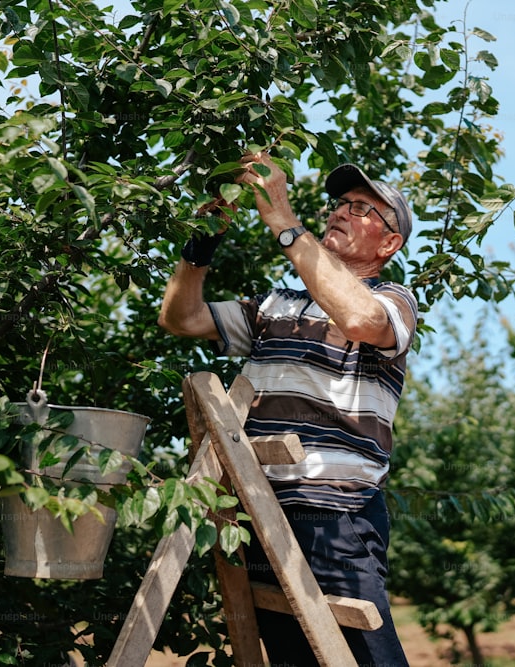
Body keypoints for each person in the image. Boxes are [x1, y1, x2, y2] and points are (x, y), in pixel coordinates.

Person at [158, 152, 416, 667]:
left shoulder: (392, 299)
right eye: (341, 203)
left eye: (363, 209)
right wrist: (200, 244)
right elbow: (180, 318)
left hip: (334, 515)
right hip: (257, 511)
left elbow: (362, 319)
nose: (342, 212)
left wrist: (283, 221)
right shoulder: (273, 305)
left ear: (389, 243)